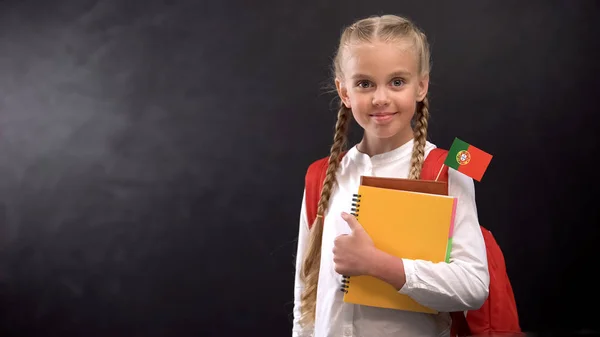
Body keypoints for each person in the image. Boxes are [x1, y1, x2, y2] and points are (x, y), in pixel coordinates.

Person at [292, 14, 490, 337]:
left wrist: (378, 265)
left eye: (397, 82)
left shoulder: (447, 168)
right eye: (364, 83)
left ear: (421, 86)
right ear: (344, 92)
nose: (380, 98)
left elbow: (474, 285)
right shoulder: (321, 176)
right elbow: (305, 295)